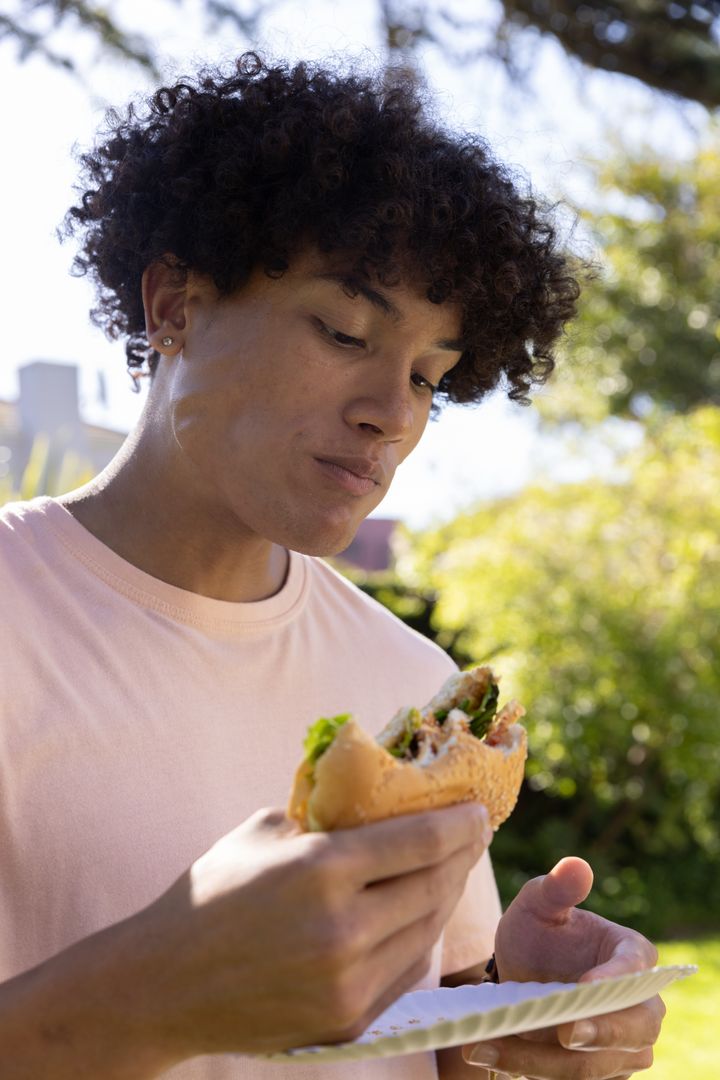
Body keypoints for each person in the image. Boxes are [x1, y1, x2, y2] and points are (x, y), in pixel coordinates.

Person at [0, 53, 664, 1079]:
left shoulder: (414, 691)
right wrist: (157, 988)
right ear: (175, 302)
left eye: (429, 376)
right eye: (344, 330)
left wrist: (498, 1020)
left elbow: (401, 1045)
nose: (391, 414)